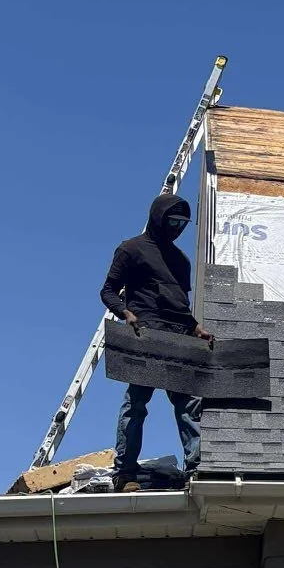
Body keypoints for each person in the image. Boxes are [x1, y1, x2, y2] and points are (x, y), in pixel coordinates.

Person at [100, 192, 214, 490]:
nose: (177, 227)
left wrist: (196, 327)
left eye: (182, 222)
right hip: (146, 337)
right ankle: (125, 474)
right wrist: (126, 313)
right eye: (172, 220)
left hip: (178, 339)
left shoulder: (180, 261)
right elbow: (108, 291)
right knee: (136, 404)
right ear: (158, 217)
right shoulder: (132, 249)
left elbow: (179, 305)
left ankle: (196, 469)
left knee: (189, 403)